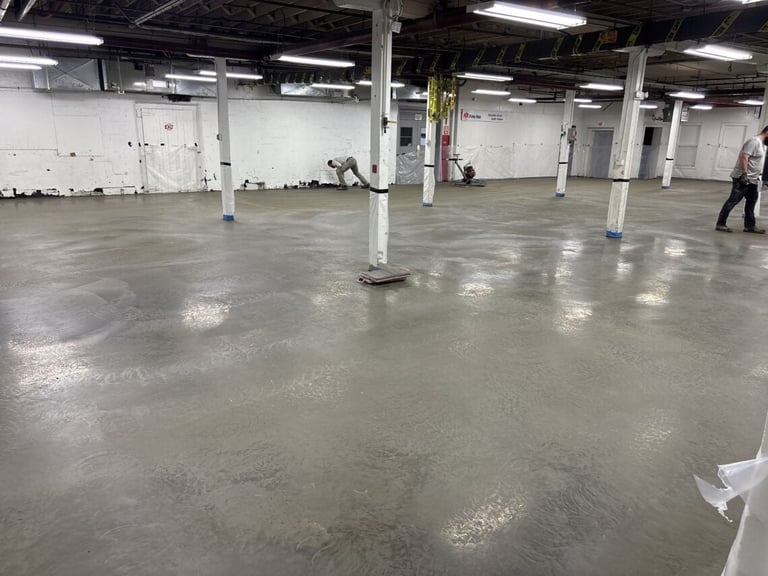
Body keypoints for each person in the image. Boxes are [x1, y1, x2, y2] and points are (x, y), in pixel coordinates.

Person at [716, 126, 768, 233]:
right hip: (743, 177)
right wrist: (744, 174)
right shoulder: (754, 141)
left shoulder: (763, 145)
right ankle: (720, 224)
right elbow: (744, 157)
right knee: (733, 200)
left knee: (751, 202)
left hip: (753, 179)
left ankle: (749, 226)